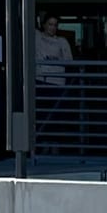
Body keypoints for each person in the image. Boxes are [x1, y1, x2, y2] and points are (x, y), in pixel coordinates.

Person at [35, 13, 75, 151]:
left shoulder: (62, 41)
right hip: (40, 80)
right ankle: (43, 145)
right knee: (42, 114)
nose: (52, 27)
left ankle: (55, 144)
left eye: (55, 25)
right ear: (44, 24)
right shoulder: (37, 37)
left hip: (57, 82)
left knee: (56, 115)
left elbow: (69, 61)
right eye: (50, 24)